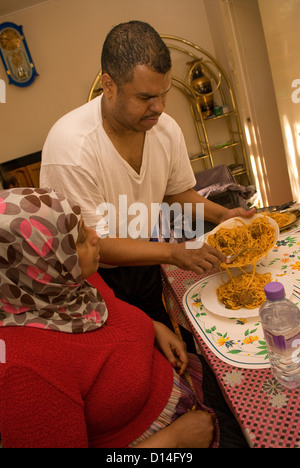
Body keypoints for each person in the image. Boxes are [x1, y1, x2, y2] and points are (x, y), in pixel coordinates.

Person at [40, 20, 254, 327]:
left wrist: (223, 216)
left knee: (170, 340)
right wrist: (174, 252)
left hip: (146, 257)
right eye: (145, 98)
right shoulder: (70, 149)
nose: (160, 107)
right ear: (109, 85)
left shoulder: (165, 129)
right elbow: (96, 243)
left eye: (164, 93)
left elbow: (175, 192)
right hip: (93, 279)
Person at [0, 187, 219, 448]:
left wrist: (153, 326)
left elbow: (108, 315)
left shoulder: (66, 282)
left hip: (183, 389)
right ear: (38, 265)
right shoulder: (23, 371)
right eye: (79, 238)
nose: (96, 237)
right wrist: (174, 440)